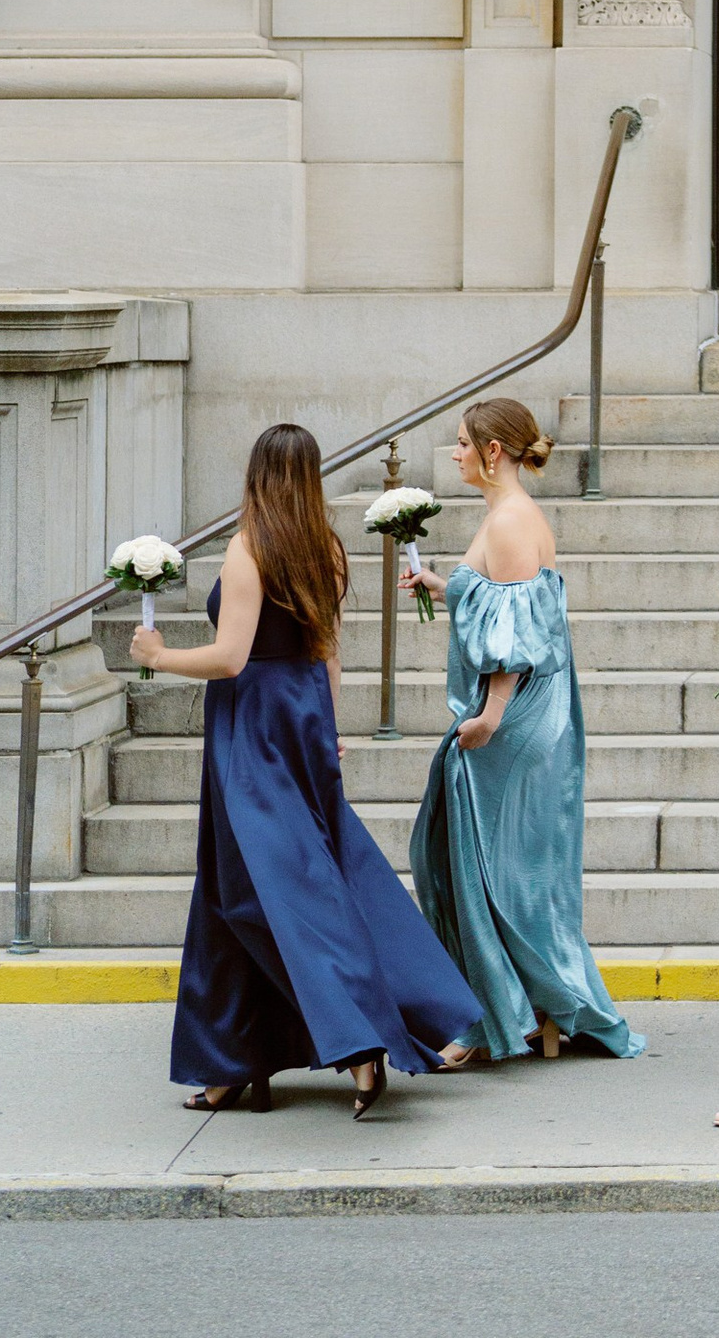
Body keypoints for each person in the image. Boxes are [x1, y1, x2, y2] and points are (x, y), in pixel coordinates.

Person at [139, 420, 482, 1118]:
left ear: (257, 474)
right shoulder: (321, 546)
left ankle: (357, 1043)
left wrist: (160, 656)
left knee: (260, 891)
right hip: (299, 716)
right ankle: (237, 1062)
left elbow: (231, 658)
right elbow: (327, 644)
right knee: (288, 880)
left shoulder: (248, 550)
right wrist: (328, 723)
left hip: (254, 723)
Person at [406, 393, 643, 1066]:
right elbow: (503, 603)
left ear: (491, 452)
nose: (453, 453)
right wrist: (437, 582)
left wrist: (489, 715)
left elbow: (516, 636)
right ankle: (527, 1009)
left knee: (493, 872)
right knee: (507, 869)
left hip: (514, 720)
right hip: (530, 715)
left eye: (460, 442)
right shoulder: (509, 517)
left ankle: (504, 1016)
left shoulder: (510, 521)